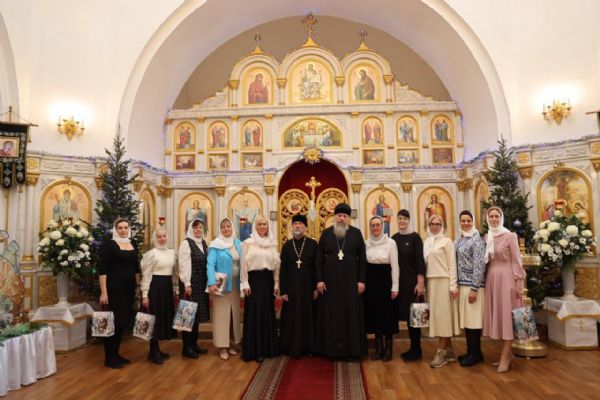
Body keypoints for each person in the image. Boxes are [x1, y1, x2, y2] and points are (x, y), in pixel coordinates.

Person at [315, 203, 367, 360]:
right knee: (332, 316)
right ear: (334, 217)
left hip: (351, 283)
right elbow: (318, 260)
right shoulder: (326, 234)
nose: (341, 219)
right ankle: (332, 351)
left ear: (348, 219)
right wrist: (319, 280)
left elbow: (362, 259)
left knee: (350, 315)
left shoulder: (356, 234)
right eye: (339, 216)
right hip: (330, 283)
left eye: (344, 216)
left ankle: (352, 351)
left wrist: (361, 281)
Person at [483, 206, 525, 373]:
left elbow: (517, 260)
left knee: (507, 318)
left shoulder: (510, 236)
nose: (494, 219)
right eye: (491, 216)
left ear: (501, 218)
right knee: (498, 317)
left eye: (497, 216)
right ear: (487, 219)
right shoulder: (487, 237)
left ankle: (504, 358)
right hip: (492, 279)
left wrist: (519, 283)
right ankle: (508, 354)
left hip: (507, 279)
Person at [98, 218, 141, 369]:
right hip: (114, 289)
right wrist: (104, 292)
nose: (123, 230)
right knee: (113, 323)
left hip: (128, 289)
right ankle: (109, 358)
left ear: (129, 228)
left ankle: (116, 354)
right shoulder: (110, 245)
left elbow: (136, 267)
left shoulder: (133, 243)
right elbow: (103, 270)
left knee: (122, 322)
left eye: (125, 227)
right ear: (115, 229)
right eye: (120, 228)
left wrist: (137, 286)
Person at [241, 215, 280, 362]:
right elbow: (244, 264)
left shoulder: (272, 243)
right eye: (259, 224)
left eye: (264, 224)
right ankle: (255, 350)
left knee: (267, 313)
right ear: (255, 226)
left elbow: (276, 265)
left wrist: (276, 283)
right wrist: (245, 283)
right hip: (254, 281)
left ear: (268, 226)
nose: (262, 226)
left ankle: (268, 348)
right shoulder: (248, 243)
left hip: (268, 280)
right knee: (255, 314)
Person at [279, 214, 318, 358]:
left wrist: (315, 288)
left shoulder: (313, 245)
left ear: (305, 227)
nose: (297, 226)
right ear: (292, 227)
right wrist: (283, 290)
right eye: (295, 224)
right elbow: (283, 269)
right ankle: (291, 346)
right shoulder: (287, 246)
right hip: (291, 288)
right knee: (292, 317)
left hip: (308, 287)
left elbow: (317, 267)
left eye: (301, 224)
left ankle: (308, 347)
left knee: (308, 317)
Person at [424, 215, 459, 368]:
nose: (435, 226)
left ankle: (441, 353)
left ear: (442, 225)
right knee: (437, 317)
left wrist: (453, 286)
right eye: (432, 223)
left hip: (444, 281)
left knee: (444, 317)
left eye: (438, 224)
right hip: (431, 282)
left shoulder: (447, 241)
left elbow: (452, 265)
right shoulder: (427, 242)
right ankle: (449, 350)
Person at [391, 209, 426, 361]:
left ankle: (417, 350)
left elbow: (420, 261)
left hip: (413, 283)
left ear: (409, 220)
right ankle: (413, 348)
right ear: (397, 220)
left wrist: (420, 283)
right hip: (400, 283)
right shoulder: (394, 238)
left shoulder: (415, 238)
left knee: (415, 317)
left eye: (405, 218)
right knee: (407, 316)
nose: (402, 221)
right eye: (400, 218)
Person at [207, 218, 243, 361]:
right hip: (220, 284)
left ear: (232, 227)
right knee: (221, 315)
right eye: (223, 227)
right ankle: (222, 346)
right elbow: (210, 264)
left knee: (234, 315)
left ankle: (231, 343)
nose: (226, 229)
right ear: (220, 229)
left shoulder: (238, 243)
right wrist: (211, 283)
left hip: (236, 285)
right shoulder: (215, 244)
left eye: (228, 226)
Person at [364, 216, 399, 362]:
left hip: (386, 281)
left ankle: (389, 349)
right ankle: (379, 349)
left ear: (382, 226)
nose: (375, 228)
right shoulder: (366, 243)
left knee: (388, 315)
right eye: (373, 225)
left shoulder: (391, 243)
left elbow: (395, 266)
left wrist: (395, 286)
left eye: (378, 225)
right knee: (375, 314)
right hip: (371, 282)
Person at [141, 227, 178, 364]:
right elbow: (146, 275)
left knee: (163, 317)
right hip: (155, 288)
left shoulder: (172, 253)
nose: (162, 239)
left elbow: (174, 272)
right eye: (159, 237)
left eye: (164, 236)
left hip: (167, 288)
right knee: (154, 318)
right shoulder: (151, 254)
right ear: (155, 239)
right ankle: (152, 351)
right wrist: (145, 295)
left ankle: (157, 349)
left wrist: (175, 289)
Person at [455, 210, 486, 367]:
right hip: (463, 284)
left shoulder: (476, 240)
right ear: (460, 222)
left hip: (473, 286)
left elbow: (480, 265)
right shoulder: (460, 239)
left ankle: (475, 354)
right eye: (463, 221)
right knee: (468, 321)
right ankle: (472, 352)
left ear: (473, 222)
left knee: (473, 321)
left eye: (468, 220)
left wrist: (474, 288)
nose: (466, 223)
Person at [178, 218, 210, 358]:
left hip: (201, 284)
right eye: (195, 227)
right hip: (190, 284)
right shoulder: (186, 243)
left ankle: (194, 344)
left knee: (196, 317)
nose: (198, 229)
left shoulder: (203, 243)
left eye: (200, 227)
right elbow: (183, 265)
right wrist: (187, 284)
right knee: (187, 317)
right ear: (191, 229)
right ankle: (186, 348)